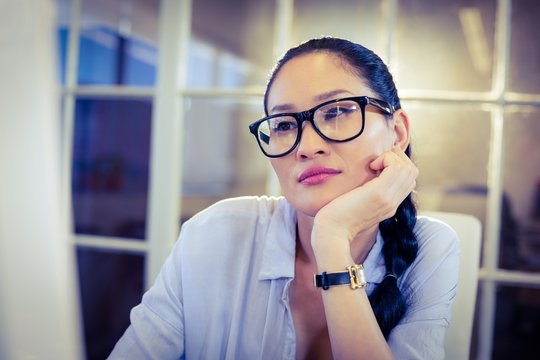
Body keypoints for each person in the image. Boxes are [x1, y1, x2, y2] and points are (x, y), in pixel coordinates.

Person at [109, 37, 459, 359]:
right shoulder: (214, 233)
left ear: (396, 133)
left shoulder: (430, 249)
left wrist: (332, 237)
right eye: (283, 125)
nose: (307, 147)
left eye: (337, 112)